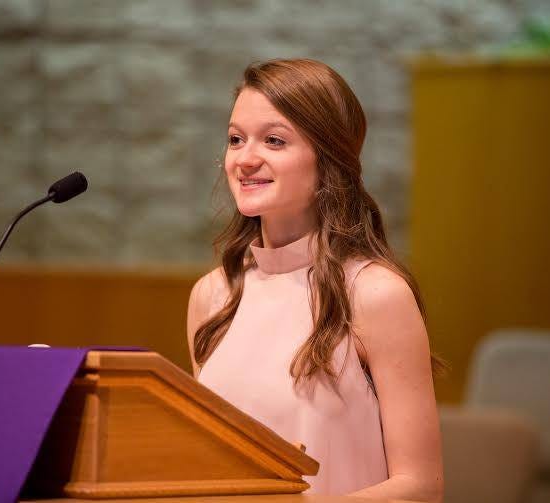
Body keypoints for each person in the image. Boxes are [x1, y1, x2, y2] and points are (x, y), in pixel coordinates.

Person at [186, 58, 444, 502]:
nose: (245, 159)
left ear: (328, 157)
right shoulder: (213, 295)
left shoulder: (375, 292)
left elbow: (420, 487)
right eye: (235, 139)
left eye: (273, 140)